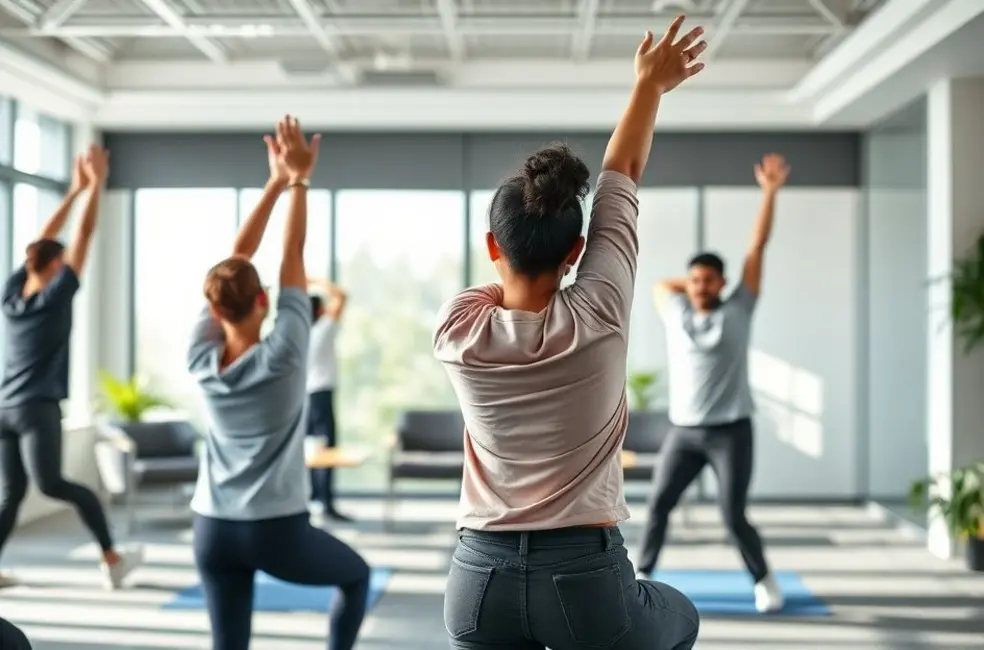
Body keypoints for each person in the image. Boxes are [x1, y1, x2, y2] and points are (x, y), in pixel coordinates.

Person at [434, 17, 706, 650]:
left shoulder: (458, 330)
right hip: (584, 580)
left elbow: (510, 287)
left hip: (477, 583)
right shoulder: (602, 311)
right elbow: (622, 174)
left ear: (490, 246)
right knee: (680, 617)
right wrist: (649, 87)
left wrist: (647, 86)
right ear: (578, 249)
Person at [187, 116, 370, 650]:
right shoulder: (288, 350)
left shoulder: (200, 354)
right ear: (262, 301)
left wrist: (276, 183)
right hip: (275, 529)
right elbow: (291, 254)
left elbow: (235, 262)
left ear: (214, 308)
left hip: (212, 528)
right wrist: (298, 181)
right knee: (355, 579)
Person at [634, 153, 791, 614]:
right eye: (695, 279)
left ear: (723, 283)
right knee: (659, 506)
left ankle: (764, 580)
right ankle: (642, 576)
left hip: (730, 431)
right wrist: (689, 281)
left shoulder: (738, 310)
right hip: (683, 432)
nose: (700, 286)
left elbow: (755, 251)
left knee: (732, 516)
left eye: (708, 280)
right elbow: (662, 285)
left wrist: (770, 192)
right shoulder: (677, 311)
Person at [0, 146, 143, 590]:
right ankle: (112, 556)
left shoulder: (13, 297)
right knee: (59, 485)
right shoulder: (53, 299)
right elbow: (82, 234)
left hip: (3, 406)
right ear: (56, 267)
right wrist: (95, 186)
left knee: (13, 493)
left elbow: (42, 242)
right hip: (36, 406)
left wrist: (75, 189)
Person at [306, 278, 351, 522]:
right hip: (321, 395)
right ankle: (326, 504)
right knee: (327, 450)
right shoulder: (323, 328)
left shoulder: (302, 333)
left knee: (310, 452)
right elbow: (342, 295)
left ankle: (313, 499)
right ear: (320, 310)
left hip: (305, 398)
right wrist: (314, 281)